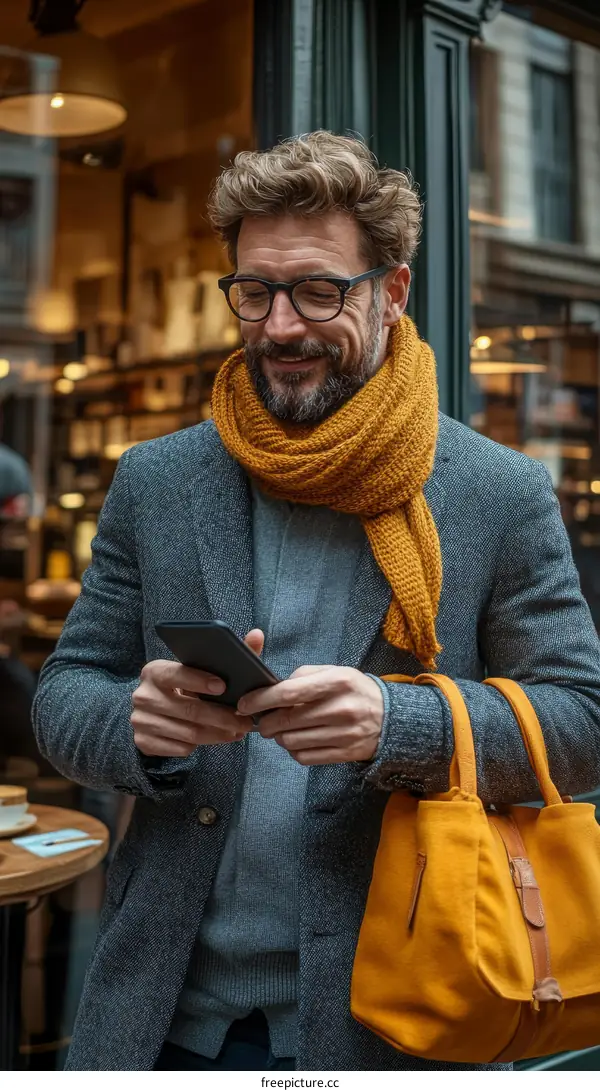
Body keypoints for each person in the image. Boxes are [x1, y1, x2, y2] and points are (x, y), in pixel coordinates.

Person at [33, 132, 600, 1073]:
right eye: (253, 291)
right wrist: (138, 724)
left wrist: (402, 720)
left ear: (394, 291)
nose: (281, 326)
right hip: (166, 1011)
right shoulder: (159, 480)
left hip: (399, 1016)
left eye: (318, 290)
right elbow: (65, 694)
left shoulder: (498, 492)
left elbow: (581, 721)